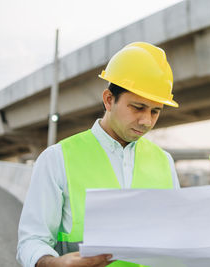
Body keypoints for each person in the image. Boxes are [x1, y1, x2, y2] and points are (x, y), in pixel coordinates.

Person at [17, 42, 180, 267]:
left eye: (155, 111)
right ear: (108, 100)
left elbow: (175, 238)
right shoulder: (57, 159)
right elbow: (31, 241)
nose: (146, 121)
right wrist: (52, 263)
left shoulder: (165, 162)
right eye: (138, 107)